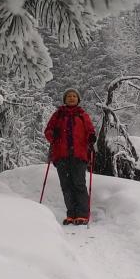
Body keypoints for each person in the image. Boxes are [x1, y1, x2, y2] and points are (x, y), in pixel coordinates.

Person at [44, 88, 96, 225]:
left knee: (79, 184)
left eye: (74, 96)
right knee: (66, 186)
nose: (71, 98)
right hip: (61, 156)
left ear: (78, 99)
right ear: (64, 99)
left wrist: (91, 137)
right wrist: (52, 134)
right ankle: (71, 214)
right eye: (68, 96)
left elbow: (90, 130)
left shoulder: (82, 115)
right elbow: (48, 131)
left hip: (79, 155)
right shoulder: (58, 115)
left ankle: (82, 214)